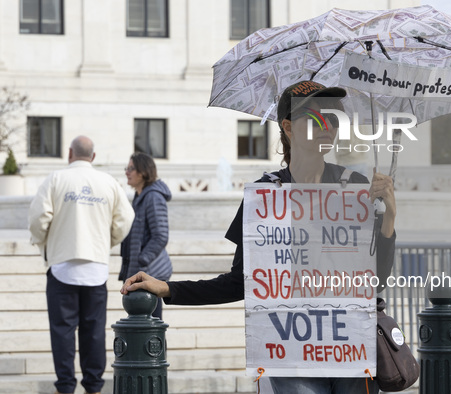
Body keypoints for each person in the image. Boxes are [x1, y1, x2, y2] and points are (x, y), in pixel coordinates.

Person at [121, 81, 396, 394]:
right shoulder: (265, 197)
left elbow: (376, 279)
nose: (327, 127)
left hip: (350, 346)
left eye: (332, 119)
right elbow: (242, 282)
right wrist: (168, 288)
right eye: (316, 119)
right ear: (289, 128)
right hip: (292, 350)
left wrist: (389, 218)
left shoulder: (354, 187)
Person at [28, 136, 134, 394]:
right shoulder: (108, 182)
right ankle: (94, 387)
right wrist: (104, 242)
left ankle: (65, 387)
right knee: (94, 331)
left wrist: (44, 242)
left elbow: (39, 218)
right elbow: (125, 219)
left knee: (63, 331)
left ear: (69, 153)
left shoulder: (55, 179)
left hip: (62, 265)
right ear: (93, 157)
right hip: (95, 268)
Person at [119, 152, 173, 319]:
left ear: (143, 172)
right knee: (143, 324)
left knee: (150, 326)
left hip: (150, 273)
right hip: (140, 272)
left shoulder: (153, 197)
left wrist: (142, 260)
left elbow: (161, 235)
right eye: (126, 168)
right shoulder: (140, 196)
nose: (127, 172)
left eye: (131, 168)